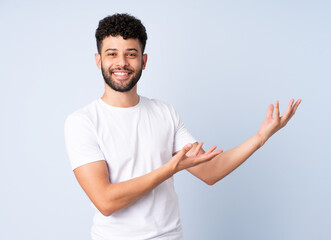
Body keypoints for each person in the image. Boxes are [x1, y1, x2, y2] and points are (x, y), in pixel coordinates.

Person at [64, 13, 301, 240]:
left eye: (131, 54)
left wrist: (260, 138)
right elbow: (105, 202)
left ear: (143, 61)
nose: (122, 63)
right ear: (99, 61)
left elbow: (210, 171)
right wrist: (169, 169)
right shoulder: (83, 122)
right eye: (112, 54)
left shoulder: (164, 113)